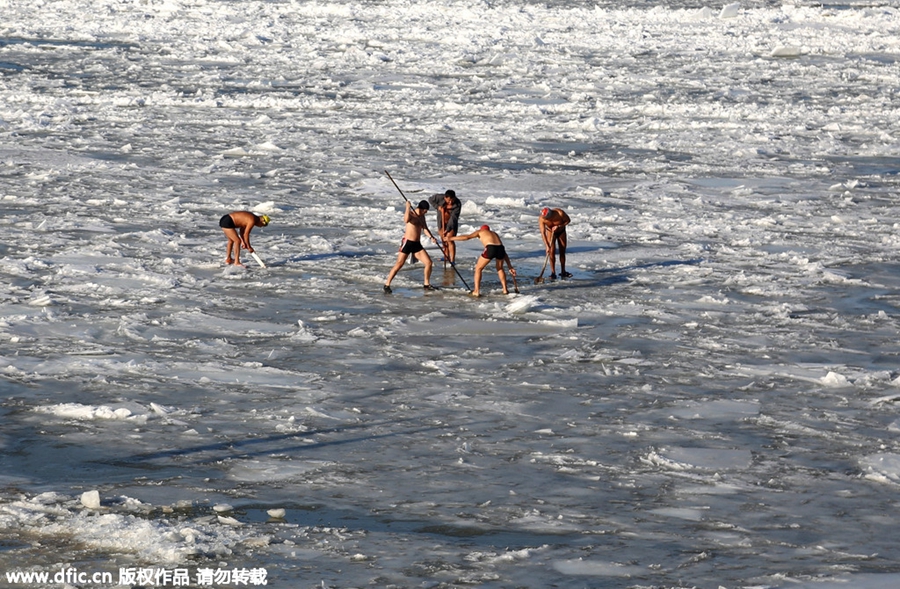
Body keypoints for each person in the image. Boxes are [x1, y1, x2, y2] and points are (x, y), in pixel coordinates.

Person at [384, 200, 438, 293]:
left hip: (417, 244)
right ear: (423, 209)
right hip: (407, 243)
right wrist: (407, 207)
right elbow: (405, 220)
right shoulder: (411, 214)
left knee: (428, 263)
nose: (427, 212)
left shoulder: (422, 217)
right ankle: (387, 284)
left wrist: (431, 237)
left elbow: (425, 228)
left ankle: (426, 284)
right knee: (399, 264)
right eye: (426, 210)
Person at [451, 224, 517, 297]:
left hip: (490, 248)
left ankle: (476, 291)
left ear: (482, 229)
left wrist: (451, 238)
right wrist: (510, 266)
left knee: (478, 268)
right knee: (500, 268)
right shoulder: (494, 234)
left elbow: (467, 237)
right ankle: (505, 290)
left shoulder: (480, 232)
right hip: (501, 248)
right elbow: (504, 253)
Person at [428, 189, 462, 264]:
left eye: (452, 200)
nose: (450, 202)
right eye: (449, 200)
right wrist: (438, 207)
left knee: (449, 239)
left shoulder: (457, 203)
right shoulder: (439, 197)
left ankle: (452, 260)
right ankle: (446, 256)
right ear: (445, 198)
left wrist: (448, 228)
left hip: (451, 223)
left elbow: (453, 218)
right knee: (443, 239)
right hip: (441, 222)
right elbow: (430, 199)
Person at [538, 207, 571, 279]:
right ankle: (553, 273)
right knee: (551, 252)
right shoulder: (541, 218)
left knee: (562, 250)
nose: (546, 220)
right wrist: (547, 245)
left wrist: (559, 226)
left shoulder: (560, 213)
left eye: (548, 218)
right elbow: (543, 233)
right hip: (550, 232)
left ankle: (563, 271)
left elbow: (568, 220)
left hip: (561, 231)